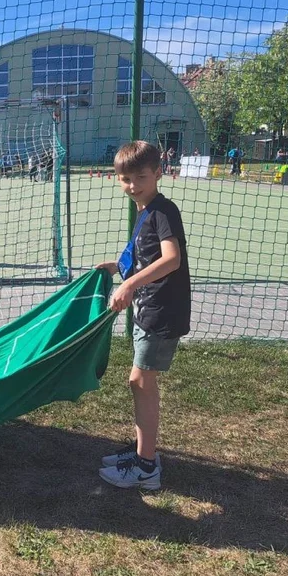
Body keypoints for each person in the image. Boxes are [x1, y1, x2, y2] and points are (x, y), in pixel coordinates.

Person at [93, 140, 191, 490]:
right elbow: (141, 254)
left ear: (158, 174)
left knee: (141, 382)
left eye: (141, 177)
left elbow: (170, 259)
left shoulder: (164, 211)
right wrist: (116, 267)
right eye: (125, 179)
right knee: (138, 383)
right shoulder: (144, 209)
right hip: (148, 307)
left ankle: (147, 467)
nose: (132, 185)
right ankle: (141, 453)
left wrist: (130, 284)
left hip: (162, 311)